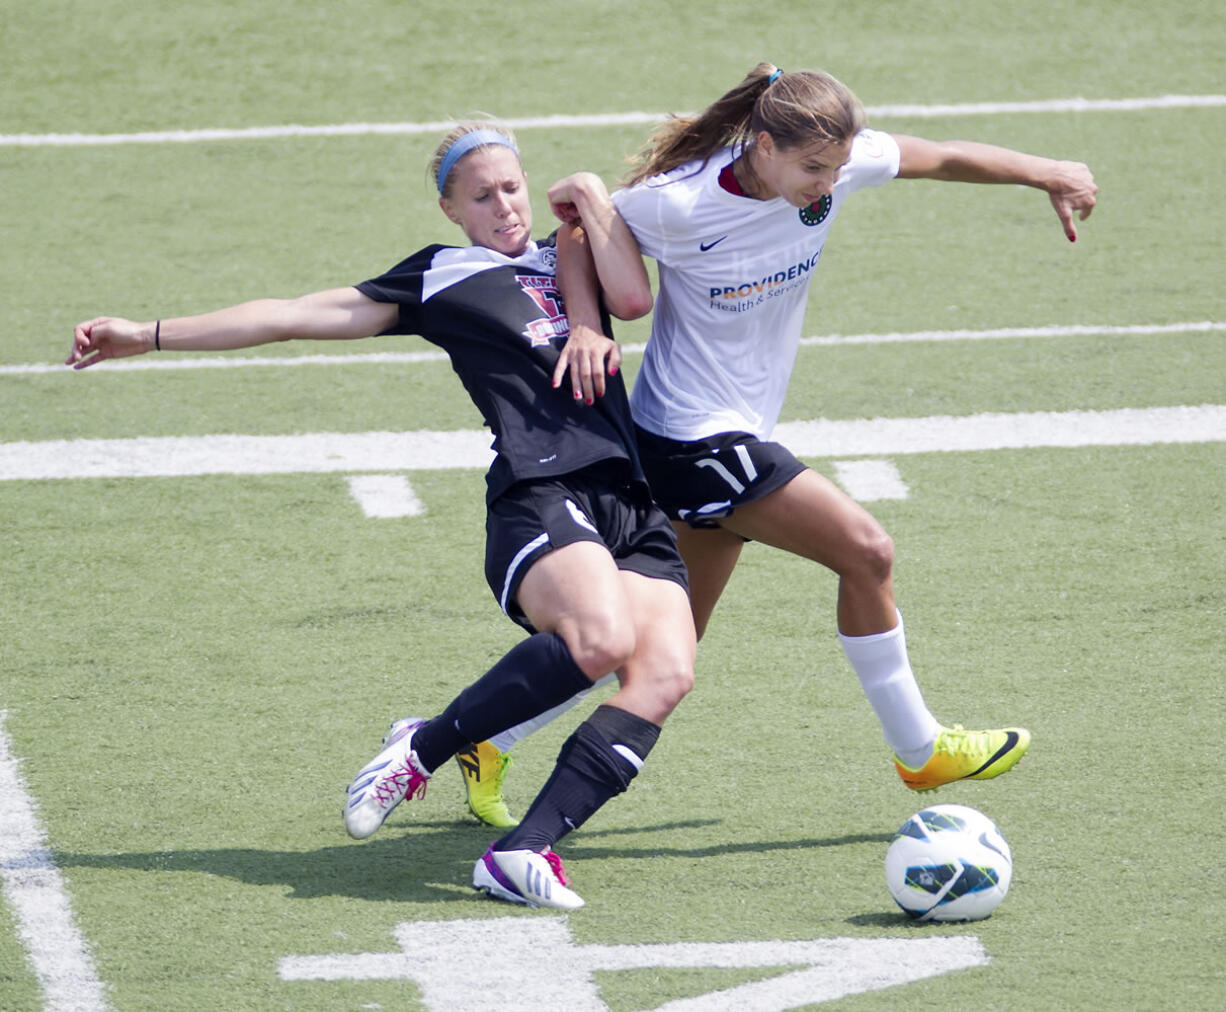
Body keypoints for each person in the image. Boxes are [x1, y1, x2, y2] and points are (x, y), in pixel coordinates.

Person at [66, 123, 697, 910]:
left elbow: (632, 296)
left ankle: (523, 851)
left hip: (629, 495)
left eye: (511, 187)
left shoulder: (570, 249)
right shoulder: (440, 277)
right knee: (597, 641)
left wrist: (593, 203)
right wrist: (149, 336)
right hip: (541, 486)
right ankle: (423, 747)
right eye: (481, 195)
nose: (504, 206)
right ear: (448, 210)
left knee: (665, 674)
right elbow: (290, 314)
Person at [470, 64, 1100, 801]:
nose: (827, 186)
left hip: (724, 433)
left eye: (836, 169)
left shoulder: (832, 164)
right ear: (762, 146)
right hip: (688, 438)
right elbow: (577, 230)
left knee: (659, 651)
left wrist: (1047, 172)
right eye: (812, 169)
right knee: (867, 552)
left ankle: (484, 738)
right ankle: (919, 748)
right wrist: (584, 324)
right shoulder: (680, 203)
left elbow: (940, 156)